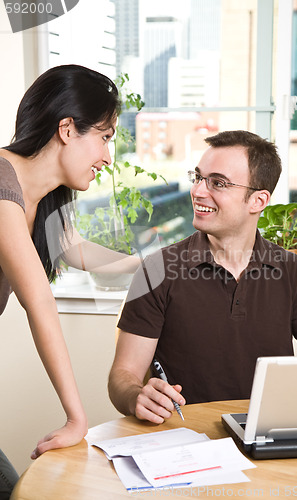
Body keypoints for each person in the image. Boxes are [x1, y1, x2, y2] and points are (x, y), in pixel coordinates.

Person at [108, 130, 297, 425]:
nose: (198, 191)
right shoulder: (157, 270)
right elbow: (122, 377)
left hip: (266, 437)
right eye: (198, 177)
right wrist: (136, 396)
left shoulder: (293, 270)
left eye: (218, 183)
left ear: (257, 201)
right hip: (185, 440)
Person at [0, 64, 140, 499]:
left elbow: (76, 250)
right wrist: (76, 419)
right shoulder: (2, 182)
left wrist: (151, 262)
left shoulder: (37, 198)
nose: (107, 157)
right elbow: (38, 300)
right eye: (105, 137)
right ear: (67, 129)